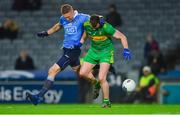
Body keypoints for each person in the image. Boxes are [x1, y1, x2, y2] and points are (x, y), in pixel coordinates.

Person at [26, 4, 99, 105]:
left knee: (52, 71)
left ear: (73, 11)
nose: (67, 19)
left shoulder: (83, 18)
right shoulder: (63, 19)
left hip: (73, 51)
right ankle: (96, 83)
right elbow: (58, 26)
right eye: (65, 17)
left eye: (69, 16)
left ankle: (38, 97)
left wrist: (101, 19)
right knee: (81, 72)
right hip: (65, 50)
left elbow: (96, 19)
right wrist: (46, 33)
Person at [79, 15, 131, 108]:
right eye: (92, 27)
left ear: (100, 23)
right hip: (93, 51)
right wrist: (79, 43)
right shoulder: (87, 25)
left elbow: (122, 37)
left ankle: (107, 102)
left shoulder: (107, 27)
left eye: (96, 26)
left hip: (106, 52)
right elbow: (84, 37)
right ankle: (96, 84)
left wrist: (126, 49)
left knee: (102, 78)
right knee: (82, 73)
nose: (94, 28)